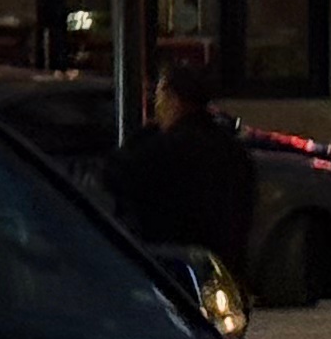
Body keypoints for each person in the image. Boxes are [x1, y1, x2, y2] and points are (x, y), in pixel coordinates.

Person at [105, 58, 258, 288]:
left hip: (170, 272)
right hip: (220, 275)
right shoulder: (232, 151)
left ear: (173, 99)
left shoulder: (160, 151)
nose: (156, 105)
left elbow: (118, 178)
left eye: (159, 95)